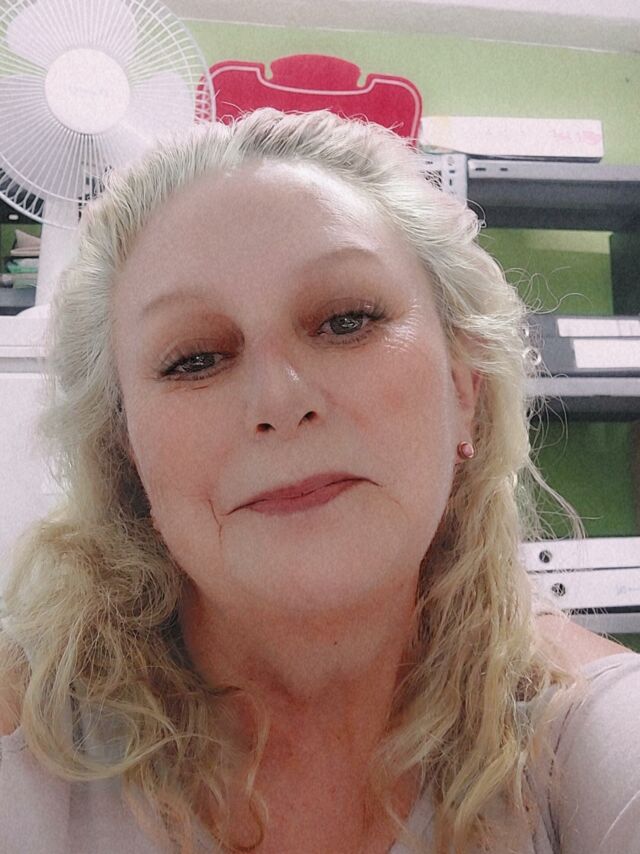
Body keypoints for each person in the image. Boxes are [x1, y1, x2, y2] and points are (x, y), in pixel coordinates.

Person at [0, 108, 638, 854]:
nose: (278, 400)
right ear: (128, 452)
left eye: (346, 320)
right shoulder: (24, 735)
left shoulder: (587, 734)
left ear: (464, 388)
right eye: (195, 359)